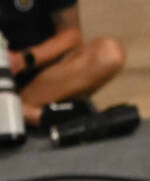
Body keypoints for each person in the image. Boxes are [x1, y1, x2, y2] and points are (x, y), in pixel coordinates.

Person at [0, 0, 123, 128]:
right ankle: (33, 115)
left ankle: (17, 111)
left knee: (108, 53)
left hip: (40, 79)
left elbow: (72, 36)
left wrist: (25, 59)